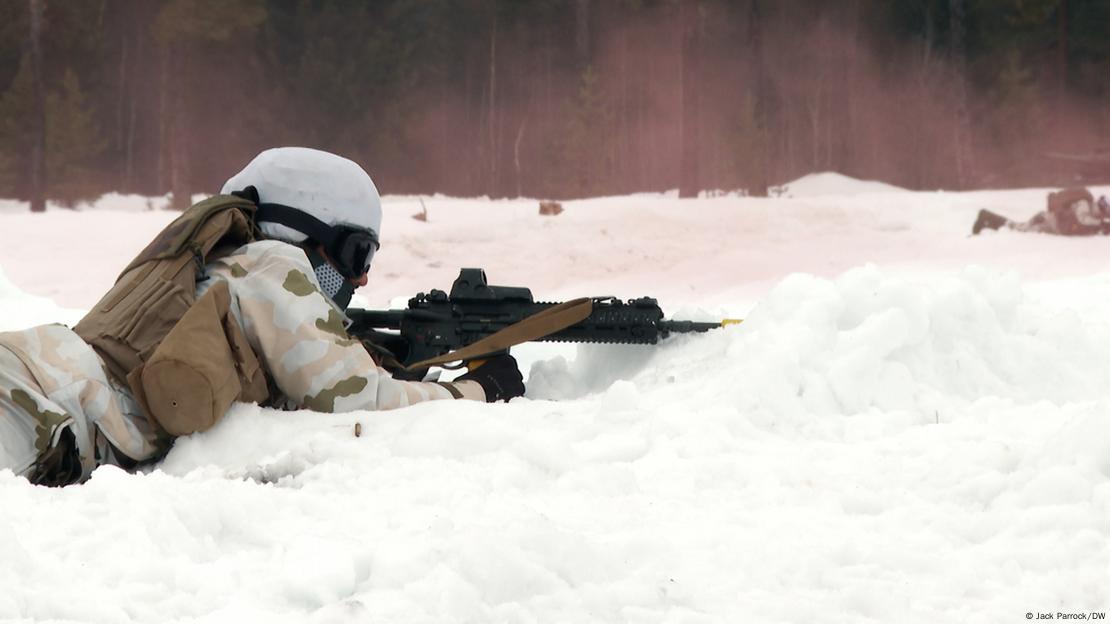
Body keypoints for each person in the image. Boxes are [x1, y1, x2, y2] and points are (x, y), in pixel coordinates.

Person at [1, 147, 525, 487]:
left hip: (29, 378)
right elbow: (357, 398)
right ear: (312, 236)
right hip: (37, 410)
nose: (362, 279)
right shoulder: (274, 264)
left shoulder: (219, 267)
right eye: (359, 255)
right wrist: (476, 390)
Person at [972, 187, 1110, 236]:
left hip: (1050, 224)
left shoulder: (1091, 213)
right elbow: (1082, 219)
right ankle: (986, 217)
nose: (1105, 215)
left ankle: (987, 221)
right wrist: (1101, 223)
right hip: (1045, 220)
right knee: (1018, 230)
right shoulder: (1084, 205)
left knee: (1017, 229)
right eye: (1106, 212)